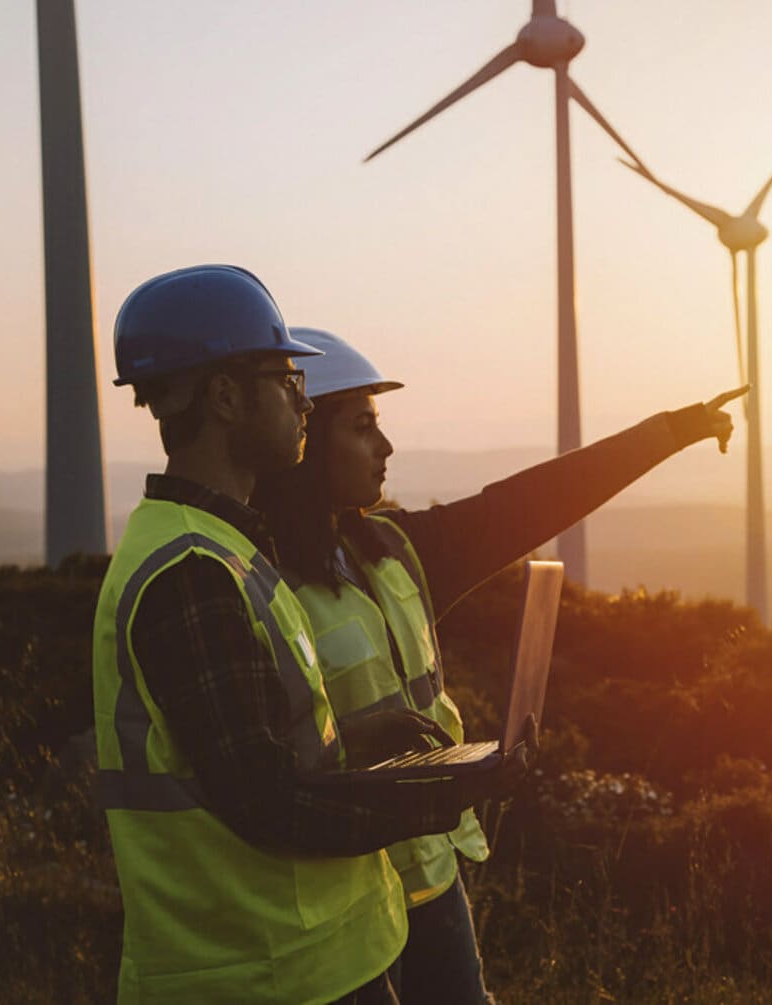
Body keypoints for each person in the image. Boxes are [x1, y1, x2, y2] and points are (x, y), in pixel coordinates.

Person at [248, 327, 746, 1004]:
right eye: (363, 427)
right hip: (340, 898)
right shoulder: (259, 583)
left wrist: (669, 432)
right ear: (307, 441)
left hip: (430, 873)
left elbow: (528, 502)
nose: (385, 446)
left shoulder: (393, 550)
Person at [91, 265, 528, 1004]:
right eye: (285, 374)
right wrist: (446, 790)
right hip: (260, 975)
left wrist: (362, 735)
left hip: (316, 961)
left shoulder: (229, 550)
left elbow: (260, 749)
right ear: (225, 396)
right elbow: (268, 802)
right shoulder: (189, 575)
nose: (303, 396)